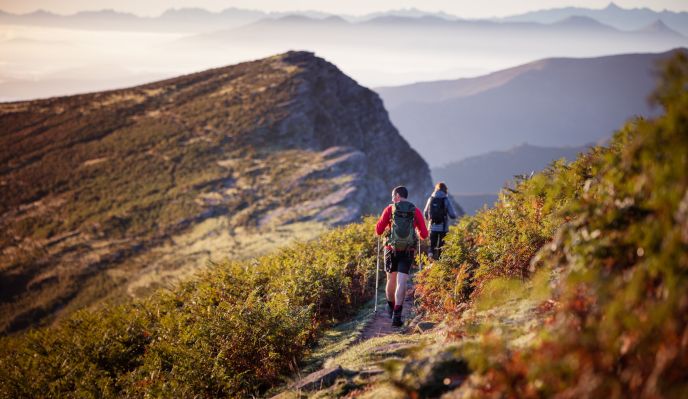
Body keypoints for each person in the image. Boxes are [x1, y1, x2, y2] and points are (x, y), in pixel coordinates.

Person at [375, 185, 429, 327]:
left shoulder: (389, 209)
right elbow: (424, 234)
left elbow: (378, 230)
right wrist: (416, 232)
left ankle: (391, 309)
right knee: (402, 281)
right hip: (408, 250)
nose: (392, 199)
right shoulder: (415, 210)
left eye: (393, 196)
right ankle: (397, 316)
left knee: (390, 280)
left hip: (390, 249)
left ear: (397, 196)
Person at [423, 182, 458, 260]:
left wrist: (429, 220)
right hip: (443, 227)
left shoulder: (431, 198)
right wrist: (453, 216)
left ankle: (430, 259)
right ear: (445, 190)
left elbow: (425, 212)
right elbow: (452, 215)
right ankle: (440, 264)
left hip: (432, 226)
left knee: (432, 245)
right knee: (441, 246)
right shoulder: (445, 199)